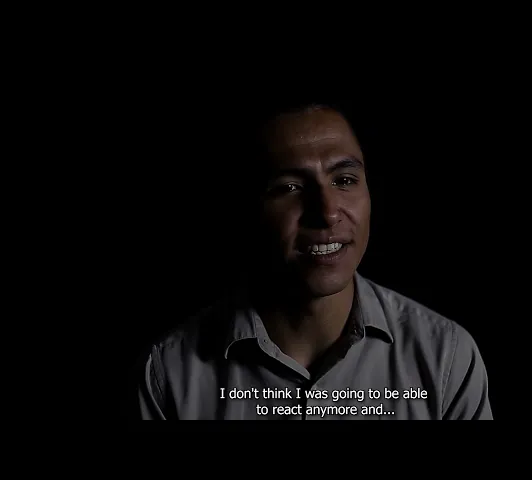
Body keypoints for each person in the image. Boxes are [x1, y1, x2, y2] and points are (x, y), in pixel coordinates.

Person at [135, 98, 493, 420]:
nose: (327, 212)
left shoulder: (446, 357)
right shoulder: (170, 374)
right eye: (290, 187)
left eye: (345, 180)